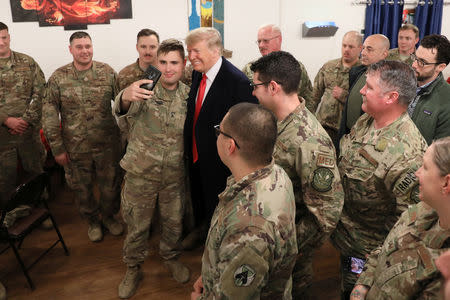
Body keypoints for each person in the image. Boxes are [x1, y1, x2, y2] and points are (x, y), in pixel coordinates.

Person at [250, 51, 344, 299]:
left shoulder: (310, 140)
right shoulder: (276, 120)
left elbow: (326, 211)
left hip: (288, 251)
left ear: (272, 87)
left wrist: (290, 247)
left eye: (255, 85)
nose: (252, 92)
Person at [331, 60, 428, 299]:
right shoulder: (367, 120)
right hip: (347, 238)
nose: (362, 90)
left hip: (370, 253)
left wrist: (373, 270)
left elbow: (407, 224)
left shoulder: (407, 154)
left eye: (369, 87)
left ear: (391, 97)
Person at [191, 103, 297, 300]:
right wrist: (212, 275)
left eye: (219, 131)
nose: (217, 135)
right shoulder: (276, 174)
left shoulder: (248, 231)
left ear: (229, 146)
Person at [113, 39, 190, 299]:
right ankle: (133, 268)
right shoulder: (143, 89)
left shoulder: (189, 96)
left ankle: (171, 257)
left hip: (173, 176)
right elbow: (120, 109)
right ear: (155, 64)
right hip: (141, 174)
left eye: (174, 63)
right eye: (163, 62)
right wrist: (124, 96)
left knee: (173, 223)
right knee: (137, 226)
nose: (168, 69)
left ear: (183, 65)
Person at [42, 31, 122, 243]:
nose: (85, 51)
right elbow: (49, 114)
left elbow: (123, 104)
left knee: (111, 186)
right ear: (71, 50)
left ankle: (108, 217)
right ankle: (93, 221)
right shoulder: (58, 78)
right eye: (79, 47)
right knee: (82, 188)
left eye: (88, 46)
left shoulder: (107, 73)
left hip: (107, 144)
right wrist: (57, 148)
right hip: (76, 147)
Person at [182, 27, 258, 249]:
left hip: (220, 162)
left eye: (195, 51)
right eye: (189, 51)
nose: (191, 56)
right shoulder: (198, 73)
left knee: (216, 206)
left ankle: (215, 245)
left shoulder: (238, 82)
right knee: (198, 196)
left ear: (215, 50)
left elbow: (246, 129)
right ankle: (201, 231)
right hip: (196, 153)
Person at [350, 137, 450, 300]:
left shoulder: (445, 265)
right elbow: (386, 249)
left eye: (425, 167)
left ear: (446, 183)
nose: (417, 173)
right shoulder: (421, 210)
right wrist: (362, 287)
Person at [0, 22, 45, 197]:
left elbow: (41, 91)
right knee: (5, 178)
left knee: (35, 173)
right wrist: (6, 119)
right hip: (2, 137)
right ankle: (7, 216)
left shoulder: (27, 62)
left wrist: (26, 120)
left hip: (28, 132)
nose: (1, 42)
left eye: (4, 37)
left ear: (9, 37)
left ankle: (39, 208)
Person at [242, 24, 315, 112]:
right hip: (260, 121)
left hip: (288, 121)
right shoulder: (250, 68)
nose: (261, 45)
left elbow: (308, 97)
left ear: (279, 40)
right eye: (259, 41)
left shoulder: (295, 67)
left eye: (265, 41)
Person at [338, 34, 389, 146]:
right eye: (364, 48)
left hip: (365, 141)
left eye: (369, 49)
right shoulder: (357, 72)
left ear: (384, 54)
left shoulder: (388, 81)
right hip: (347, 135)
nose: (363, 53)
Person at [312, 31, 362, 145]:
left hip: (345, 131)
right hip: (322, 126)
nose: (346, 49)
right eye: (344, 45)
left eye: (351, 47)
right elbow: (314, 96)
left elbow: (363, 103)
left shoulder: (362, 72)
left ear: (360, 48)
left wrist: (344, 96)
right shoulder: (329, 66)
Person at [116, 28, 160, 148]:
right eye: (143, 46)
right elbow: (120, 110)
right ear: (137, 47)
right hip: (135, 142)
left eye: (152, 47)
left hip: (163, 140)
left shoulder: (168, 72)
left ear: (159, 47)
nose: (147, 51)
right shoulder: (124, 75)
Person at [408, 34, 450, 145]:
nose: (414, 65)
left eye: (422, 62)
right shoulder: (403, 83)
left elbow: (440, 153)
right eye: (415, 58)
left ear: (440, 67)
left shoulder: (447, 101)